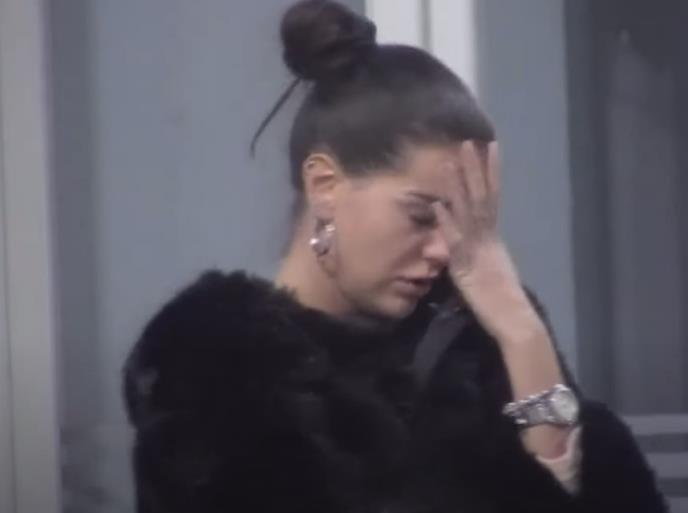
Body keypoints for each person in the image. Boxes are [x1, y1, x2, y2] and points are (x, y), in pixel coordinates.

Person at [123, 1, 667, 512]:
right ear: (324, 185)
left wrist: (522, 333)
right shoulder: (214, 382)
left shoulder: (475, 354)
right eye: (421, 216)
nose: (443, 250)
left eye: (463, 223)